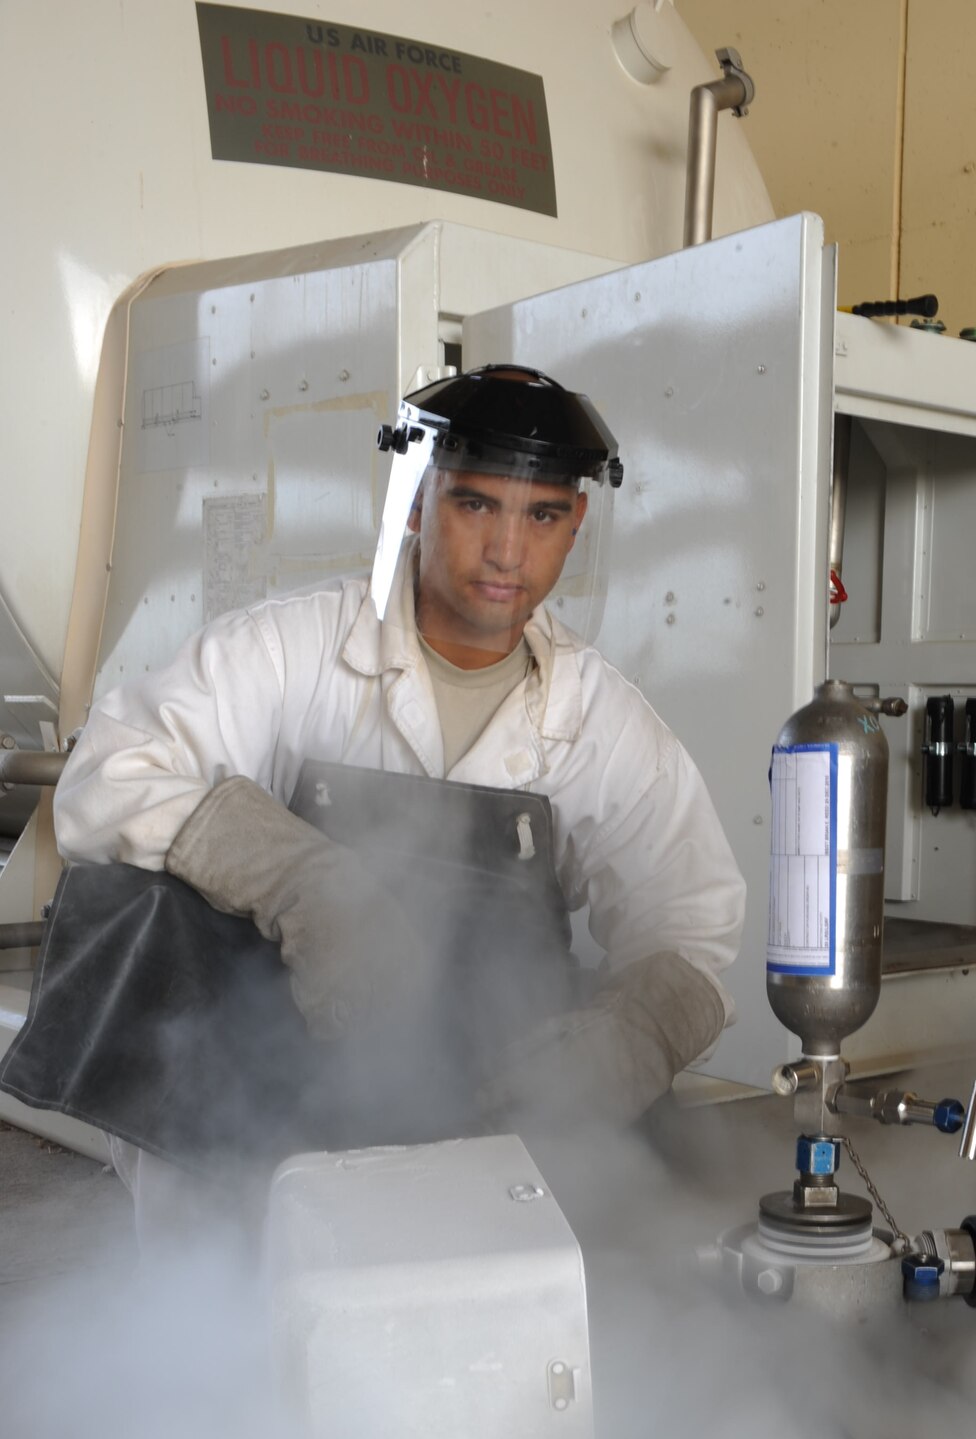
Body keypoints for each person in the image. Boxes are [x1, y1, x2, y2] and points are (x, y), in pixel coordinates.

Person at [47, 365, 745, 1206]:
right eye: (475, 504)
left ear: (576, 525)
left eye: (543, 515)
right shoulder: (290, 651)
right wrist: (305, 880)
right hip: (255, 1116)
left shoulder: (602, 724)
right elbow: (103, 780)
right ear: (416, 502)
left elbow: (691, 923)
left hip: (491, 1115)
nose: (507, 550)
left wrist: (635, 1030)